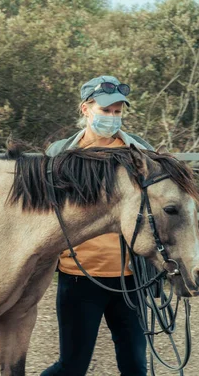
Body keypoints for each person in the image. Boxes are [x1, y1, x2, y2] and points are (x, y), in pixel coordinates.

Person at [41, 75, 153, 376]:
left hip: (131, 277)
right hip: (79, 278)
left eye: (118, 112)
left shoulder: (141, 152)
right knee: (72, 367)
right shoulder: (59, 155)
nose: (113, 118)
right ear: (85, 109)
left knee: (135, 366)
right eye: (105, 111)